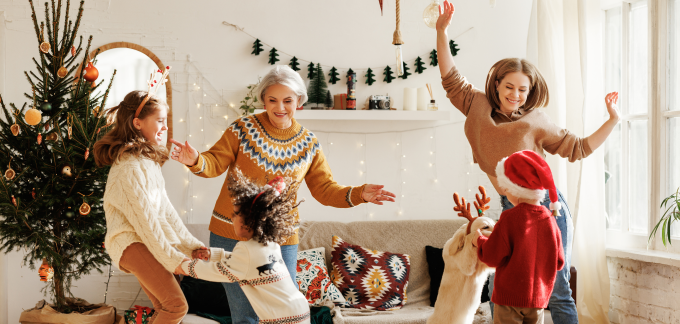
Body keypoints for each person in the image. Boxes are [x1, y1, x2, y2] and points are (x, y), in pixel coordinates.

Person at [435, 2, 620, 322]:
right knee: (498, 286)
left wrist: (612, 120)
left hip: (548, 208)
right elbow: (450, 78)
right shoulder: (476, 105)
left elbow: (578, 148)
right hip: (511, 206)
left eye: (523, 89)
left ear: (530, 91)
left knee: (557, 288)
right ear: (496, 84)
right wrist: (442, 31)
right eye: (509, 87)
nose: (516, 94)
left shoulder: (537, 120)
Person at [169, 65, 396, 324]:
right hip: (231, 232)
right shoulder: (242, 129)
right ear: (263, 100)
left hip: (281, 239)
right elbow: (214, 163)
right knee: (244, 314)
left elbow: (324, 190)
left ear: (299, 101)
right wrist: (196, 160)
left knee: (281, 314)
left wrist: (358, 194)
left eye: (287, 100)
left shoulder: (308, 143)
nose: (280, 107)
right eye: (272, 100)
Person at [94, 90, 209, 323]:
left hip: (143, 240)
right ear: (137, 123)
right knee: (175, 306)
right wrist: (173, 260)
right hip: (130, 242)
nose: (165, 127)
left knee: (163, 306)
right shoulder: (129, 168)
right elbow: (146, 223)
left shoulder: (147, 162)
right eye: (160, 120)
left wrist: (191, 246)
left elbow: (165, 211)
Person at [181, 170, 310, 324]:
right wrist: (214, 255)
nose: (231, 217)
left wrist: (184, 266)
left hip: (282, 317)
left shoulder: (247, 250)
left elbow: (218, 272)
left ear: (249, 221)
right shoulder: (269, 245)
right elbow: (245, 263)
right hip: (297, 309)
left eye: (235, 214)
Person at [477, 150, 565, 324]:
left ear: (515, 191)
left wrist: (479, 241)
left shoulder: (510, 218)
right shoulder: (550, 220)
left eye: (506, 190)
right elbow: (559, 262)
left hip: (509, 300)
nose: (505, 194)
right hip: (538, 301)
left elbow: (492, 257)